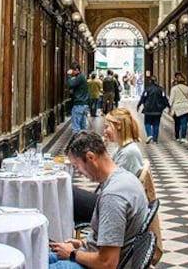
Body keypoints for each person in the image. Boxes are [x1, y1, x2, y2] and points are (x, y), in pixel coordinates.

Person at [49, 131, 148, 269]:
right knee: (41, 258)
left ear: (90, 157)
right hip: (101, 254)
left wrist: (72, 253)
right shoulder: (125, 177)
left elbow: (107, 263)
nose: (78, 173)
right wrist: (83, 244)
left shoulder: (113, 196)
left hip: (102, 265)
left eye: (77, 167)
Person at [105, 108, 144, 175]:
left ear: (118, 126)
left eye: (107, 126)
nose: (104, 131)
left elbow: (112, 179)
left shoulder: (128, 152)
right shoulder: (121, 148)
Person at [137, 73, 168, 143]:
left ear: (150, 81)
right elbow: (164, 98)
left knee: (147, 123)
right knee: (156, 124)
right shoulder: (161, 89)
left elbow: (143, 98)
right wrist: (166, 106)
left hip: (148, 109)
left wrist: (139, 105)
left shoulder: (147, 89)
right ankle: (155, 139)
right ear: (156, 81)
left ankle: (149, 135)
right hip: (158, 110)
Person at [169, 72, 188, 143]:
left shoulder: (174, 89)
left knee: (177, 122)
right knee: (184, 123)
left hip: (177, 107)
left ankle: (177, 136)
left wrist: (170, 107)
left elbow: (171, 99)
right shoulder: (187, 88)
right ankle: (183, 137)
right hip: (185, 107)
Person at [67, 63, 90, 133]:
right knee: (83, 127)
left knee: (76, 127)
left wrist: (68, 76)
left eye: (72, 70)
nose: (71, 72)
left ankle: (76, 143)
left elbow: (70, 84)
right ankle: (83, 142)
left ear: (76, 70)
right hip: (84, 104)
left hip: (79, 104)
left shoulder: (79, 77)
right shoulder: (81, 77)